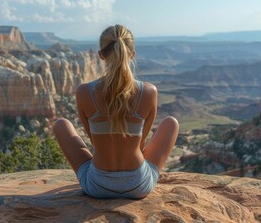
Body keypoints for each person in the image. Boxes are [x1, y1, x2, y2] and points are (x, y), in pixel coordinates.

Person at [53, 24, 179, 199]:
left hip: (97, 186)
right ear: (132, 54)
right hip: (138, 185)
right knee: (171, 123)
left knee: (61, 124)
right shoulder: (149, 92)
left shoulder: (84, 92)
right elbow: (140, 144)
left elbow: (95, 143)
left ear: (101, 56)